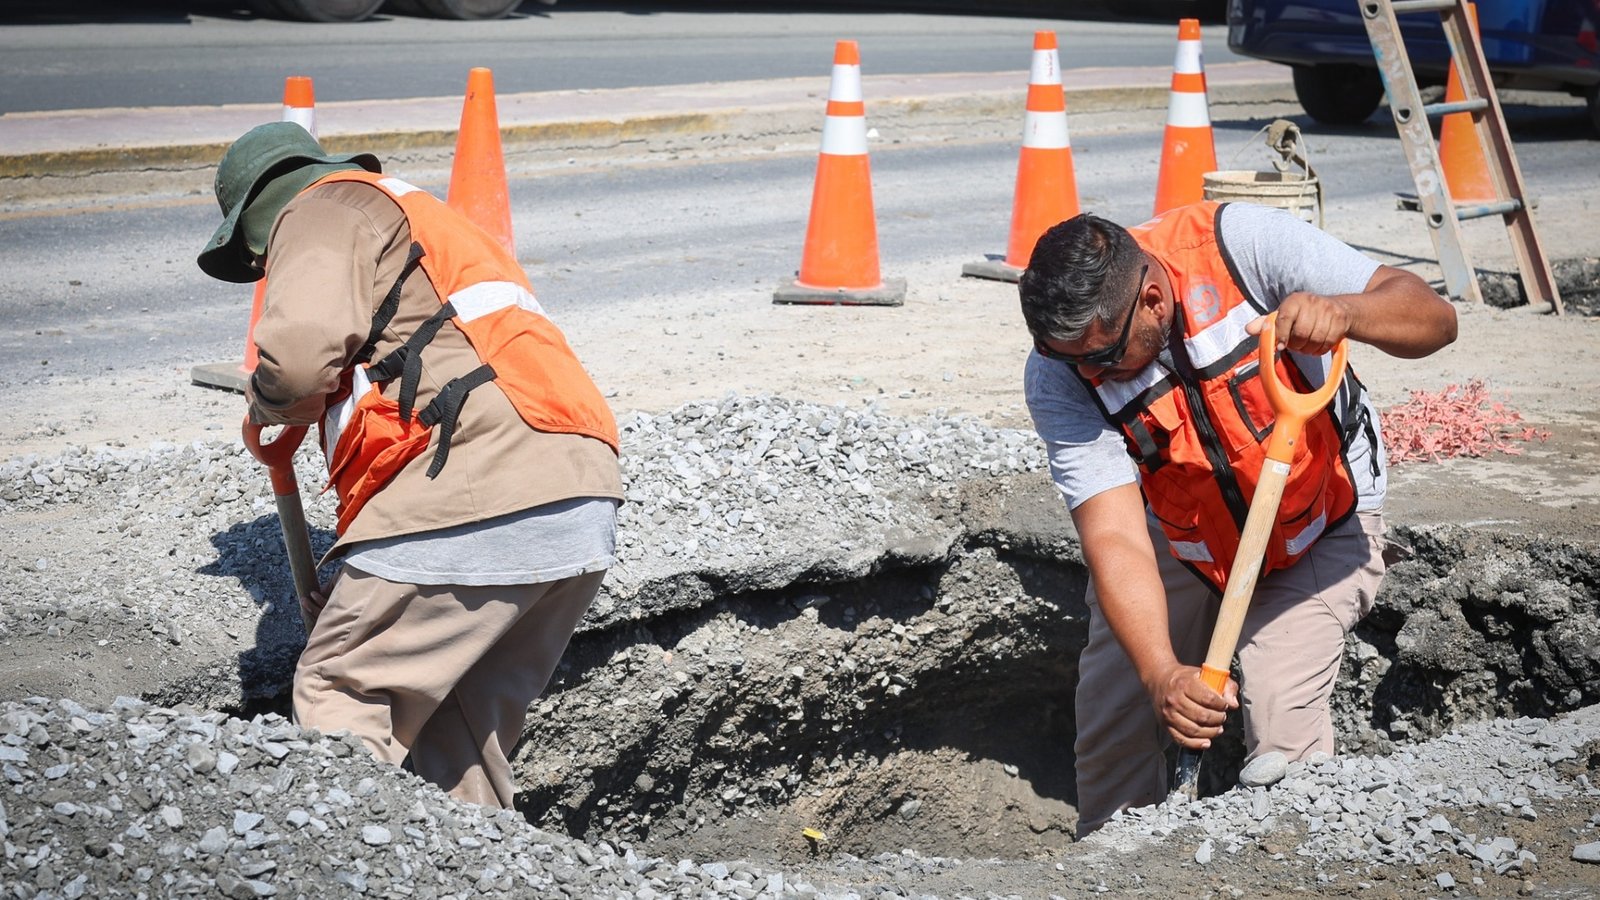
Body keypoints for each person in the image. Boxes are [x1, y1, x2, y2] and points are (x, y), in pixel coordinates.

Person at [196, 122, 624, 809]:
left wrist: (267, 398)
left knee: (342, 689)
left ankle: (342, 872)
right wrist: (371, 570)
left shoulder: (323, 207)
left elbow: (301, 358)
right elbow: (426, 378)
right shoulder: (419, 221)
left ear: (255, 219)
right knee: (460, 745)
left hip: (482, 481)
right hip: (576, 492)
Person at [1019, 202, 1456, 837]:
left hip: (1318, 522)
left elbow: (1434, 318)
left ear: (1151, 300)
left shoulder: (1241, 249)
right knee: (1117, 722)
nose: (1090, 376)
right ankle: (1114, 870)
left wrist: (1349, 314)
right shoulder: (1060, 373)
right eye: (1070, 361)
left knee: (1283, 748)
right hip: (1186, 534)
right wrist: (1162, 672)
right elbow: (1113, 533)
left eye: (1104, 357)